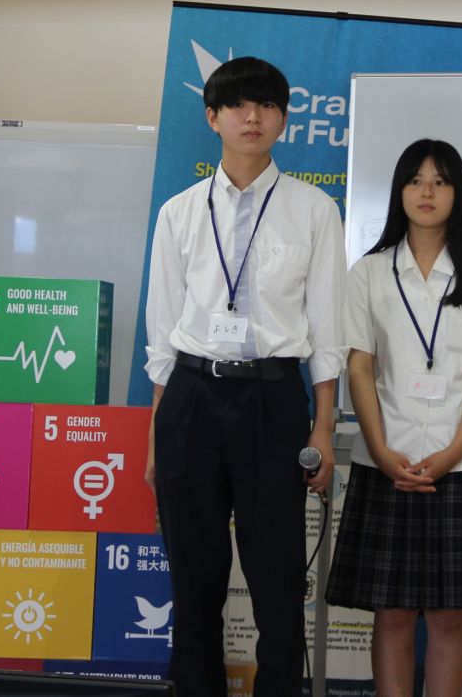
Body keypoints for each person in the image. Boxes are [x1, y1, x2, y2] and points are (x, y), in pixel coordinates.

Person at [143, 56, 345, 697]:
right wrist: (157, 433)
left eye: (264, 105)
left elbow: (328, 329)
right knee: (194, 582)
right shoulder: (179, 212)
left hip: (273, 400)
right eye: (236, 105)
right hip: (191, 398)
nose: (250, 116)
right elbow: (163, 331)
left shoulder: (314, 210)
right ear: (212, 118)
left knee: (277, 582)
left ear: (285, 119)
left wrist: (323, 428)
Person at [325, 138, 462, 696]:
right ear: (399, 192)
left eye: (440, 180)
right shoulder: (368, 272)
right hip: (386, 458)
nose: (427, 192)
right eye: (415, 180)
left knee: (447, 616)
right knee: (390, 613)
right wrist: (384, 452)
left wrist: (452, 454)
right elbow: (359, 368)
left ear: (458, 193)